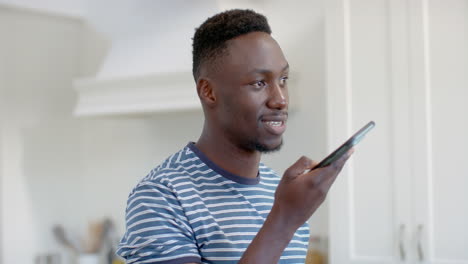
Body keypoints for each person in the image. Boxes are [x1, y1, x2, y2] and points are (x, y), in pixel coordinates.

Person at [116, 9, 352, 264]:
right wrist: (283, 220)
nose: (280, 99)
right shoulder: (160, 197)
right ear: (209, 92)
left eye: (283, 79)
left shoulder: (281, 192)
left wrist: (287, 214)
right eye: (259, 83)